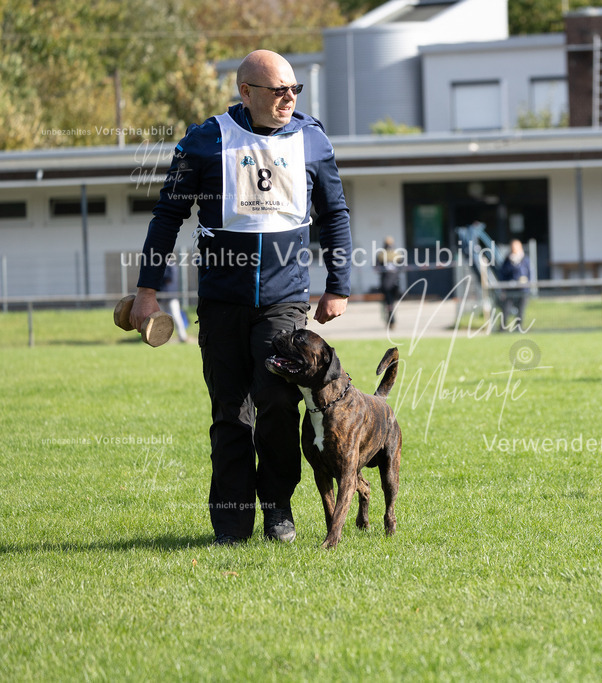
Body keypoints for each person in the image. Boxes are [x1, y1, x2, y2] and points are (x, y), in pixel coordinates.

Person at [130, 50, 352, 545]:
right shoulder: (205, 141)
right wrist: (147, 291)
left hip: (284, 303)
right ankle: (231, 523)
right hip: (222, 302)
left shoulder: (312, 138)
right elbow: (167, 217)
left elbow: (335, 212)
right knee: (231, 412)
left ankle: (278, 509)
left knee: (276, 401)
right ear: (245, 92)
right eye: (278, 91)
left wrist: (338, 283)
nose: (288, 98)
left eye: (294, 89)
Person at [498, 239, 531, 330]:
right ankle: (502, 328)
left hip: (522, 289)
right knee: (506, 309)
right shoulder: (507, 260)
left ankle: (518, 328)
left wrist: (527, 283)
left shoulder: (525, 259)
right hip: (510, 289)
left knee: (521, 310)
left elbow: (529, 274)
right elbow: (503, 274)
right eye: (513, 247)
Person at [376, 236, 402, 329]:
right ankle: (391, 321)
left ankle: (391, 321)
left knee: (389, 304)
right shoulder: (397, 254)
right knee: (391, 303)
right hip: (394, 283)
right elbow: (401, 267)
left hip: (387, 283)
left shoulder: (381, 255)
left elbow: (376, 268)